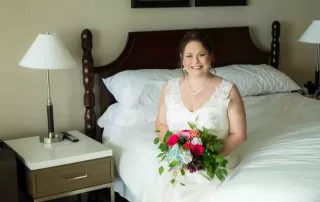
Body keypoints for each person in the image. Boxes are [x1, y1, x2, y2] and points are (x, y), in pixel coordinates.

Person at [153, 30, 247, 202]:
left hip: (216, 161)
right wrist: (179, 152)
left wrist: (206, 157)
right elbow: (160, 124)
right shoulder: (169, 88)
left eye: (201, 55)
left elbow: (239, 135)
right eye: (189, 55)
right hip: (178, 162)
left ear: (210, 57)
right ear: (182, 59)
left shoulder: (228, 90)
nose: (195, 61)